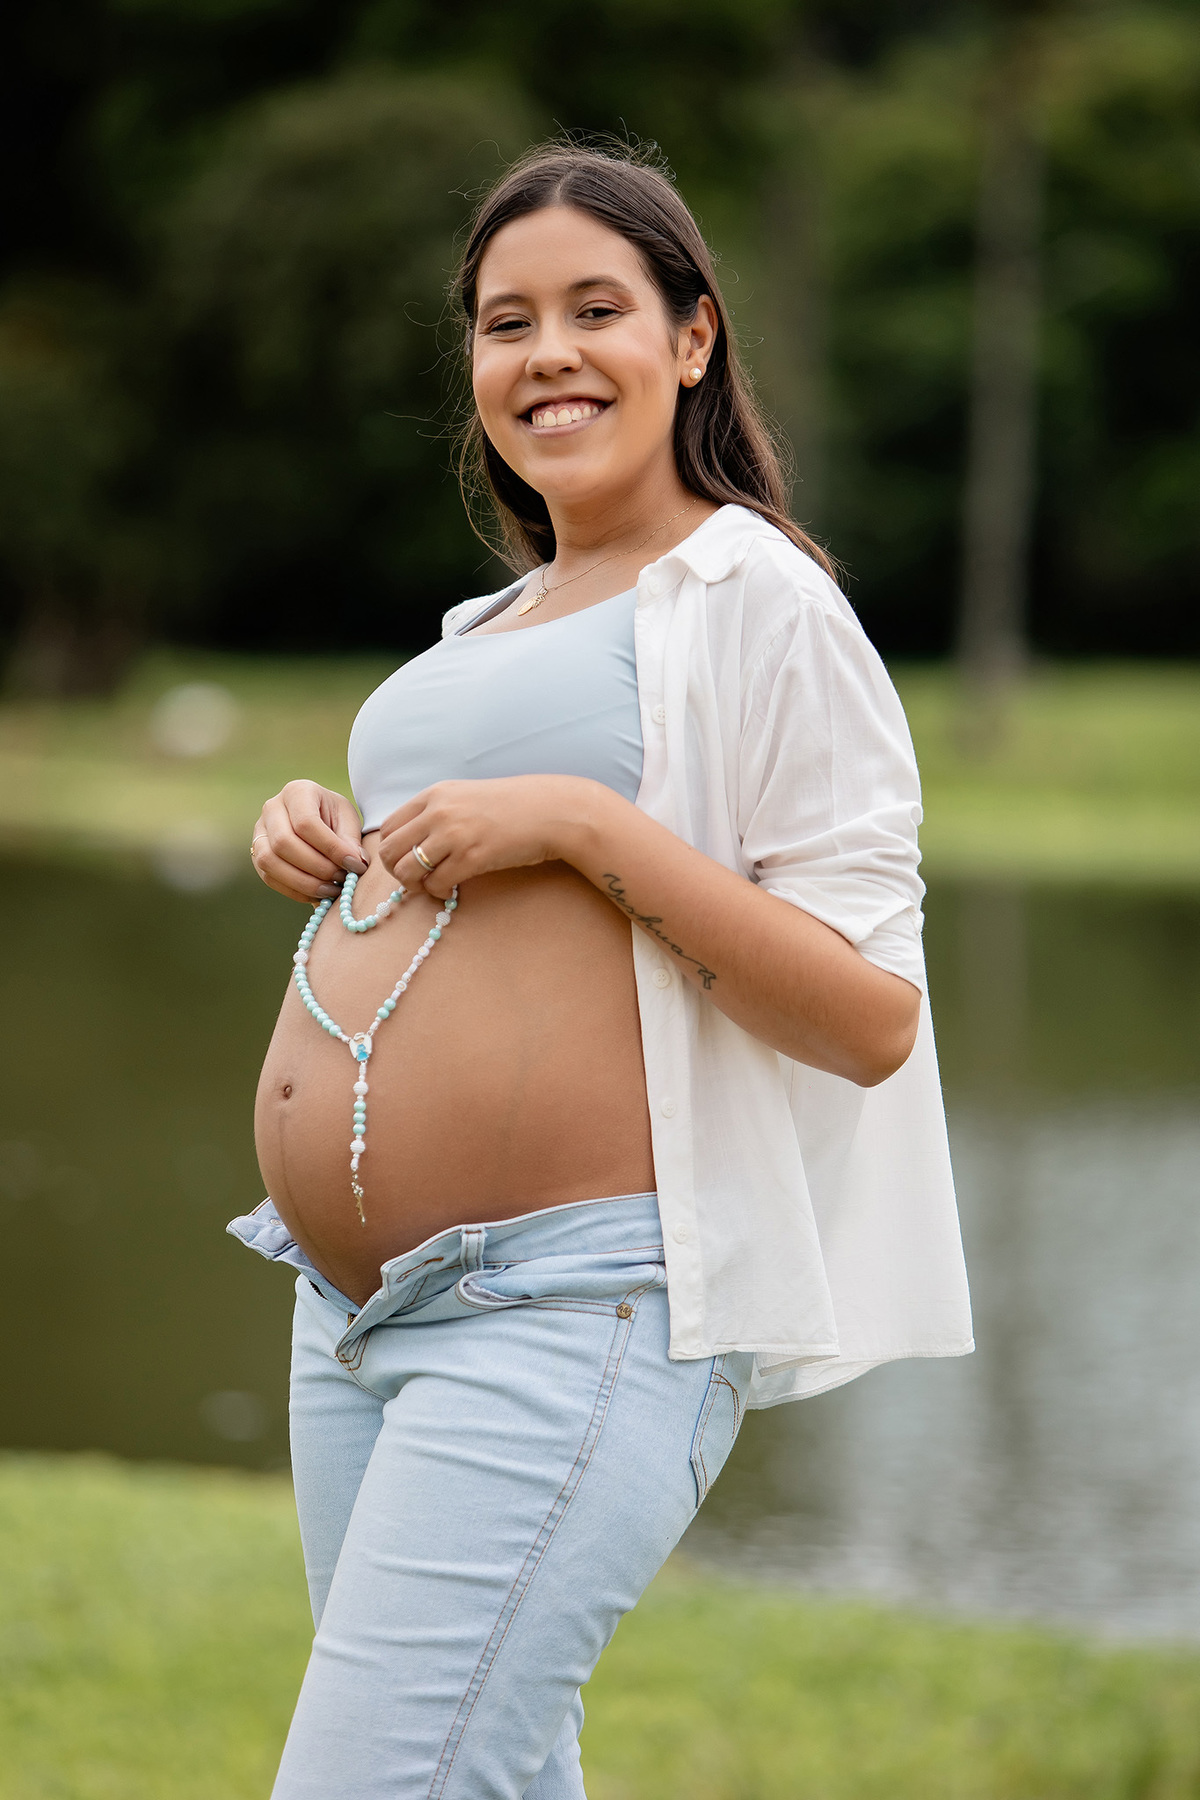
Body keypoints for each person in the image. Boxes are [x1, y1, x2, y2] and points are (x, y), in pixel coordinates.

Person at [233, 141, 972, 1800]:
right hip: (352, 1309)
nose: (546, 354)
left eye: (595, 310)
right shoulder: (481, 628)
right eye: (506, 323)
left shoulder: (759, 598)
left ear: (692, 338)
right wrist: (319, 828)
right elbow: (455, 877)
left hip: (572, 1304)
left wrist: (582, 824)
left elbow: (871, 1017)